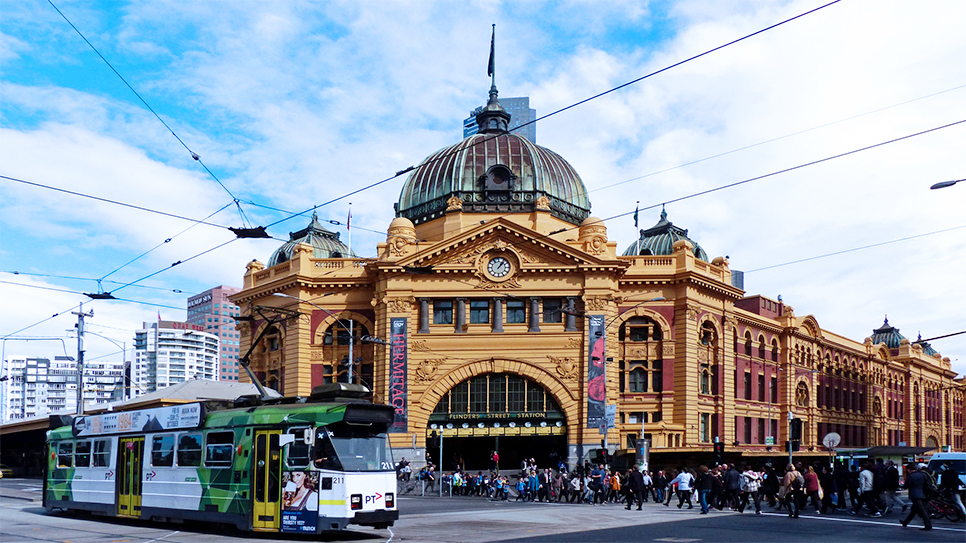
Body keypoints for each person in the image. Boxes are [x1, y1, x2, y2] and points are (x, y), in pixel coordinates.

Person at [900, 463, 932, 530]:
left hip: (915, 495)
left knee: (922, 511)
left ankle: (928, 525)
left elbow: (906, 486)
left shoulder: (911, 476)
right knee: (914, 510)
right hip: (923, 494)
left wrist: (902, 486)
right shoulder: (923, 474)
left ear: (909, 469)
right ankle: (905, 522)